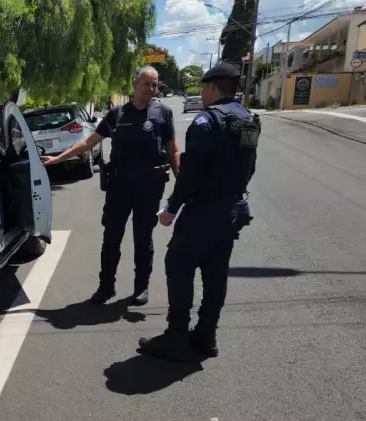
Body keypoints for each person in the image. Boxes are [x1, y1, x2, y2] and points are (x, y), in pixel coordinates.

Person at [139, 63, 260, 362]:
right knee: (216, 274)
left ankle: (176, 337)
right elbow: (250, 166)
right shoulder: (249, 120)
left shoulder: (207, 121)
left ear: (213, 88)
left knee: (178, 267)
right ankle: (207, 336)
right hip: (232, 210)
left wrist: (171, 209)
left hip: (204, 210)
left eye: (205, 87)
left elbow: (191, 173)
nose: (203, 92)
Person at [42, 66, 180, 306]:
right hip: (119, 187)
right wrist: (58, 158)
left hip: (149, 187)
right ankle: (106, 287)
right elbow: (89, 141)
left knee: (143, 239)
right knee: (111, 239)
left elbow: (173, 150)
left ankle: (141, 288)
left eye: (155, 85)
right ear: (134, 84)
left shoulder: (163, 113)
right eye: (147, 84)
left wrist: (184, 186)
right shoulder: (116, 114)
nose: (151, 89)